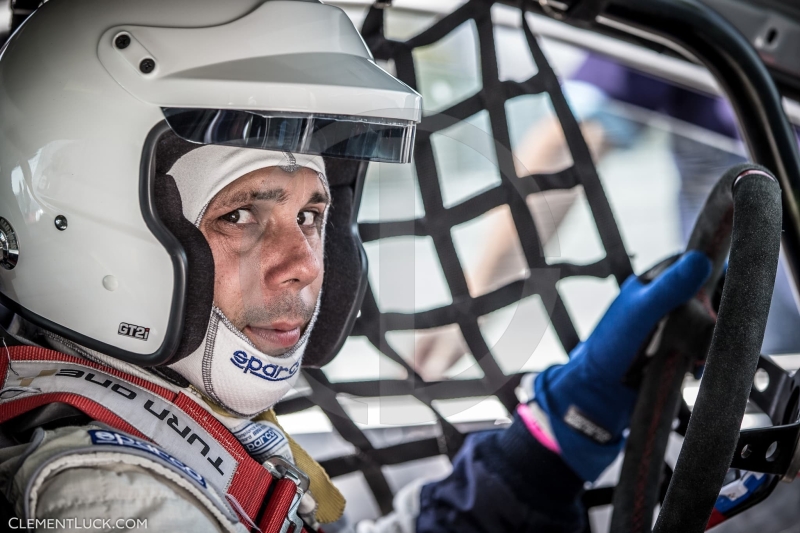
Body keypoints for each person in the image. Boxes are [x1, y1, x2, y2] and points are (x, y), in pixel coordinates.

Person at [0, 1, 712, 532]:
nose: (305, 264)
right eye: (243, 214)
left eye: (312, 215)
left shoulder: (161, 433)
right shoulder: (109, 498)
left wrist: (552, 439)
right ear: (89, 227)